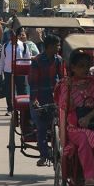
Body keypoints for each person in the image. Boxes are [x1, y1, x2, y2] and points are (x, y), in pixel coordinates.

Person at [55, 51, 94, 184]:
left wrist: (89, 117)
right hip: (74, 128)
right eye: (81, 66)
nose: (85, 69)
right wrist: (70, 89)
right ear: (73, 68)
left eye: (87, 66)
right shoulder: (66, 84)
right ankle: (89, 176)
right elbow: (65, 106)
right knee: (84, 139)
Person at [28, 34, 63, 167]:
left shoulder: (59, 60)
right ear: (49, 47)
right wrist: (34, 100)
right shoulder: (37, 61)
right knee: (42, 127)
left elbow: (62, 79)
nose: (58, 48)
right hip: (39, 97)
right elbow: (33, 83)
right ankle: (43, 155)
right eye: (57, 45)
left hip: (54, 97)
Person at [2, 26, 26, 114]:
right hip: (8, 71)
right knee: (9, 91)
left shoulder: (23, 45)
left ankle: (21, 109)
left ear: (18, 36)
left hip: (20, 71)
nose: (12, 36)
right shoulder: (5, 46)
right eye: (11, 34)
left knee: (21, 90)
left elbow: (27, 60)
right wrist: (0, 73)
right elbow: (2, 60)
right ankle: (10, 108)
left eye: (14, 34)